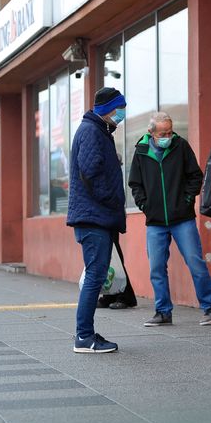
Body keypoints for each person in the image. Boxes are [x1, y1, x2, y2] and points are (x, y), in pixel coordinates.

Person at [129, 112, 211, 327]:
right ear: (151, 133)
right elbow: (135, 183)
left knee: (196, 262)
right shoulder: (141, 151)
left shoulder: (181, 146)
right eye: (162, 133)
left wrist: (187, 200)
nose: (167, 136)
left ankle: (210, 307)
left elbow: (196, 176)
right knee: (157, 268)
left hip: (182, 218)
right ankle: (163, 312)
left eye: (169, 132)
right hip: (155, 221)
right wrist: (145, 205)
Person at [66, 87, 128, 353]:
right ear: (109, 109)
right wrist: (112, 200)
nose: (123, 113)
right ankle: (84, 336)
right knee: (95, 275)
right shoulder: (92, 131)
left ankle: (85, 334)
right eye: (120, 108)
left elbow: (95, 167)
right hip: (94, 216)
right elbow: (90, 173)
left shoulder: (98, 132)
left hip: (96, 215)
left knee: (96, 274)